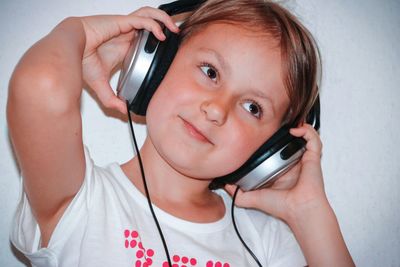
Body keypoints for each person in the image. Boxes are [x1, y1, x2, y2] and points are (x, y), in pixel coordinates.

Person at [7, 0, 354, 266]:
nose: (216, 109)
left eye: (253, 108)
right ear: (154, 67)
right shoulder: (81, 202)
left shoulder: (264, 239)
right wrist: (79, 34)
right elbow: (39, 87)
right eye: (210, 71)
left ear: (270, 149)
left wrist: (308, 210)